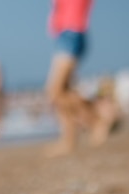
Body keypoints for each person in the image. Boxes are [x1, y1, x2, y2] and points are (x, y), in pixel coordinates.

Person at [44, 0, 117, 157]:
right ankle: (69, 140)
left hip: (71, 34)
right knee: (63, 91)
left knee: (54, 92)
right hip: (65, 35)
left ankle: (97, 121)